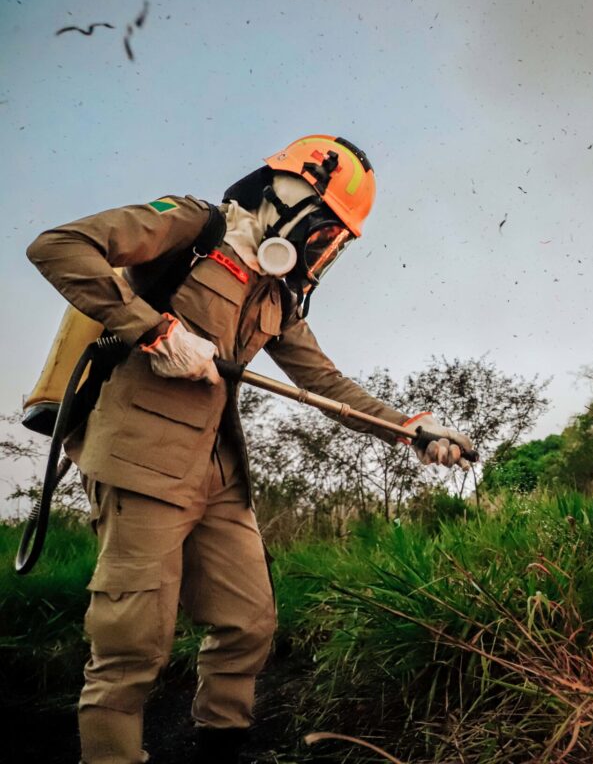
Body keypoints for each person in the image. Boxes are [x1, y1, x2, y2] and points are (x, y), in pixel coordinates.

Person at [25, 135, 474, 764]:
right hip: (138, 465)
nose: (324, 252)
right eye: (325, 233)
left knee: (249, 623)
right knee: (131, 650)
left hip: (218, 475)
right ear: (292, 201)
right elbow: (57, 247)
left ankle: (219, 748)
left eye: (335, 243)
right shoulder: (192, 227)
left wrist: (412, 428)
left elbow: (325, 382)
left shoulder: (275, 293)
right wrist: (155, 332)